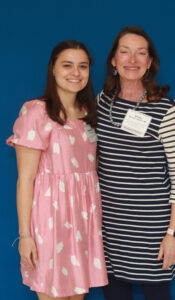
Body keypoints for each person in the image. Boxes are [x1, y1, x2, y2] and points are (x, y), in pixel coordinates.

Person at [7, 40, 108, 300]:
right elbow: (25, 180)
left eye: (82, 66)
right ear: (53, 69)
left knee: (77, 295)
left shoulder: (88, 113)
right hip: (50, 219)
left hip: (83, 219)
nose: (76, 73)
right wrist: (25, 235)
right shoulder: (36, 112)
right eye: (67, 65)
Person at [96, 26, 175, 300]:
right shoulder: (101, 103)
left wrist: (174, 233)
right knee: (114, 294)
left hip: (151, 230)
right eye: (124, 52)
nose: (132, 60)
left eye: (140, 53)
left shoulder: (167, 110)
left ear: (149, 62)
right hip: (109, 227)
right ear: (113, 60)